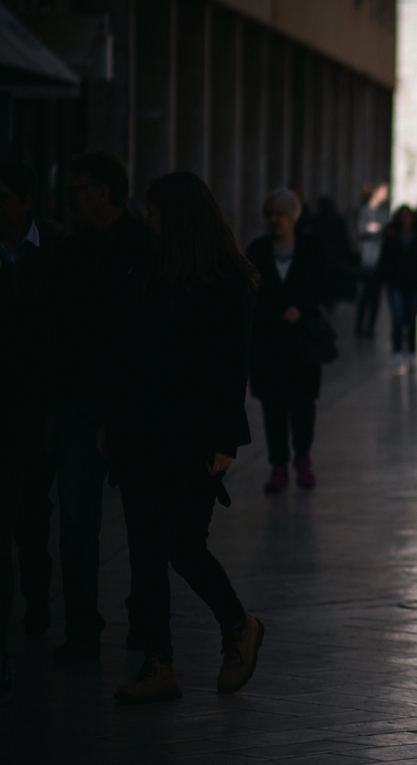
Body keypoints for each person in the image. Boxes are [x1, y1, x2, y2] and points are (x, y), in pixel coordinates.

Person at [106, 172, 264, 704]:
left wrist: (224, 440)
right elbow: (125, 354)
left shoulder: (224, 278)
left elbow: (232, 366)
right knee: (145, 551)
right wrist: (112, 423)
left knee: (182, 545)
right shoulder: (146, 270)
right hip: (140, 430)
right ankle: (159, 665)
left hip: (194, 436)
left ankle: (238, 624)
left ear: (177, 218)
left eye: (154, 214)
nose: (148, 223)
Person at [53, 152, 156, 664]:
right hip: (79, 404)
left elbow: (146, 339)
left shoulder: (145, 248)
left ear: (104, 192)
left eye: (77, 188)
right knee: (76, 522)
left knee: (143, 522)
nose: (69, 198)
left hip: (132, 408)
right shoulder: (70, 252)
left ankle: (145, 620)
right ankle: (81, 628)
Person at [0, 160, 58, 697]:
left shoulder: (52, 251)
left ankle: (38, 601)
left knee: (34, 521)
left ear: (25, 202)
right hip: (5, 408)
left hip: (37, 410)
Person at [246, 189, 330, 494]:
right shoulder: (258, 249)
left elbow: (324, 285)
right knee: (273, 406)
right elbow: (249, 289)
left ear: (292, 217)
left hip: (302, 341)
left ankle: (303, 458)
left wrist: (302, 308)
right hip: (269, 339)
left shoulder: (310, 248)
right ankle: (278, 465)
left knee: (303, 404)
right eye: (270, 214)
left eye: (280, 214)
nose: (274, 219)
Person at [377, 205, 417, 372]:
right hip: (396, 283)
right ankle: (398, 352)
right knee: (398, 318)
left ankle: (411, 353)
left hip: (414, 283)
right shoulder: (392, 236)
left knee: (411, 318)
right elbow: (385, 259)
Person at [354, 182, 390, 338]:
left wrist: (374, 228)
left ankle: (370, 328)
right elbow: (362, 229)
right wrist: (374, 228)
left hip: (380, 260)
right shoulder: (364, 210)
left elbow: (385, 229)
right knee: (363, 295)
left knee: (375, 297)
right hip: (366, 259)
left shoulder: (383, 212)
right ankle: (359, 326)